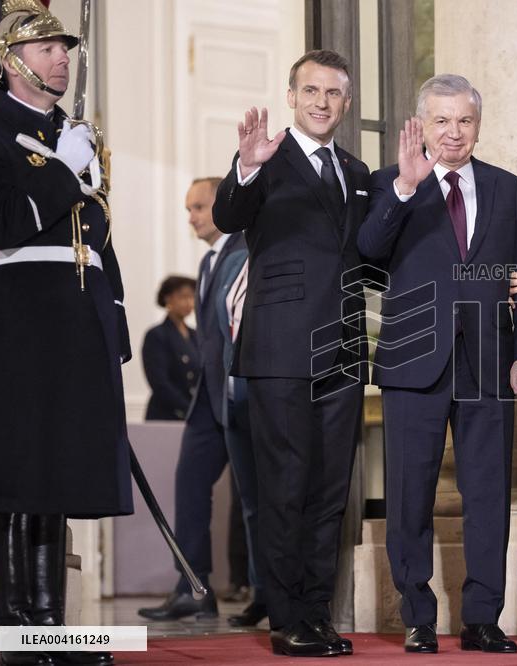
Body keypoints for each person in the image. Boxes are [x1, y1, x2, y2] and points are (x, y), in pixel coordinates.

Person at [357, 74, 517, 655]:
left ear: (478, 125)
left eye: (463, 120)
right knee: (409, 494)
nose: (453, 132)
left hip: (487, 362)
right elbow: (366, 250)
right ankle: (417, 615)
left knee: (487, 495)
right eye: (441, 120)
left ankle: (483, 618)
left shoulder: (506, 187)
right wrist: (406, 191)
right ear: (422, 125)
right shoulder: (390, 182)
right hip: (413, 361)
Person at [213, 49, 370, 658]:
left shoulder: (358, 171)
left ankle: (316, 611)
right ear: (293, 96)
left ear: (347, 102)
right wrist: (246, 170)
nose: (322, 102)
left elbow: (373, 250)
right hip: (279, 348)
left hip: (345, 349)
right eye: (312, 91)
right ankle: (286, 619)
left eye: (333, 93)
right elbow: (229, 214)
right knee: (285, 485)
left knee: (330, 491)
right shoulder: (266, 158)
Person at [0, 2, 131, 664]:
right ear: (10, 59)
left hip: (76, 324)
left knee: (60, 479)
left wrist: (114, 323)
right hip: (15, 324)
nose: (61, 58)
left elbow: (98, 242)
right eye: (46, 49)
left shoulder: (75, 133)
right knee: (17, 480)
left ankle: (48, 624)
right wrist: (67, 174)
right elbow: (0, 224)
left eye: (64, 48)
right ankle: (17, 633)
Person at [138, 178, 246, 621]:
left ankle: (265, 593)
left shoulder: (247, 250)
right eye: (188, 209)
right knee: (188, 488)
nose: (191, 217)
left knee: (254, 502)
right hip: (207, 401)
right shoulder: (206, 263)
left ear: (222, 205)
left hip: (241, 398)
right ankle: (194, 587)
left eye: (198, 207)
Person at [217, 256, 268, 628]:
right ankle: (260, 591)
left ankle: (284, 591)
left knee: (276, 500)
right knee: (250, 504)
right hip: (234, 398)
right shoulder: (236, 260)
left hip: (267, 394)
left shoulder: (278, 252)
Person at [142, 276, 200, 421]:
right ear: (168, 299)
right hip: (166, 415)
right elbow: (160, 383)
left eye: (192, 297)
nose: (188, 302)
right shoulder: (156, 335)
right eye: (183, 297)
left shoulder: (196, 335)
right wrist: (189, 409)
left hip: (193, 415)